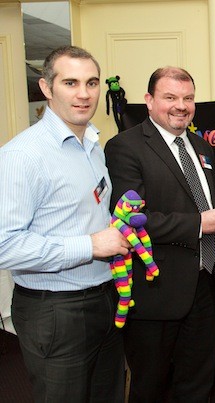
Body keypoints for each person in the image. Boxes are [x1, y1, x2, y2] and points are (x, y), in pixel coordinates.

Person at [0, 45, 131, 402]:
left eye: (91, 82)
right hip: (55, 310)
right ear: (46, 87)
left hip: (105, 298)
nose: (84, 94)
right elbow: (5, 246)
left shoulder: (92, 145)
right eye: (70, 82)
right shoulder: (22, 156)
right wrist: (90, 245)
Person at [104, 66, 215, 402]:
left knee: (197, 382)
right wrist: (198, 224)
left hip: (204, 283)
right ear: (148, 100)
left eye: (188, 98)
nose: (181, 105)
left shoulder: (203, 148)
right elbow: (130, 218)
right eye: (170, 97)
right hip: (155, 290)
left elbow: (209, 205)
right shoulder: (125, 147)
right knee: (151, 385)